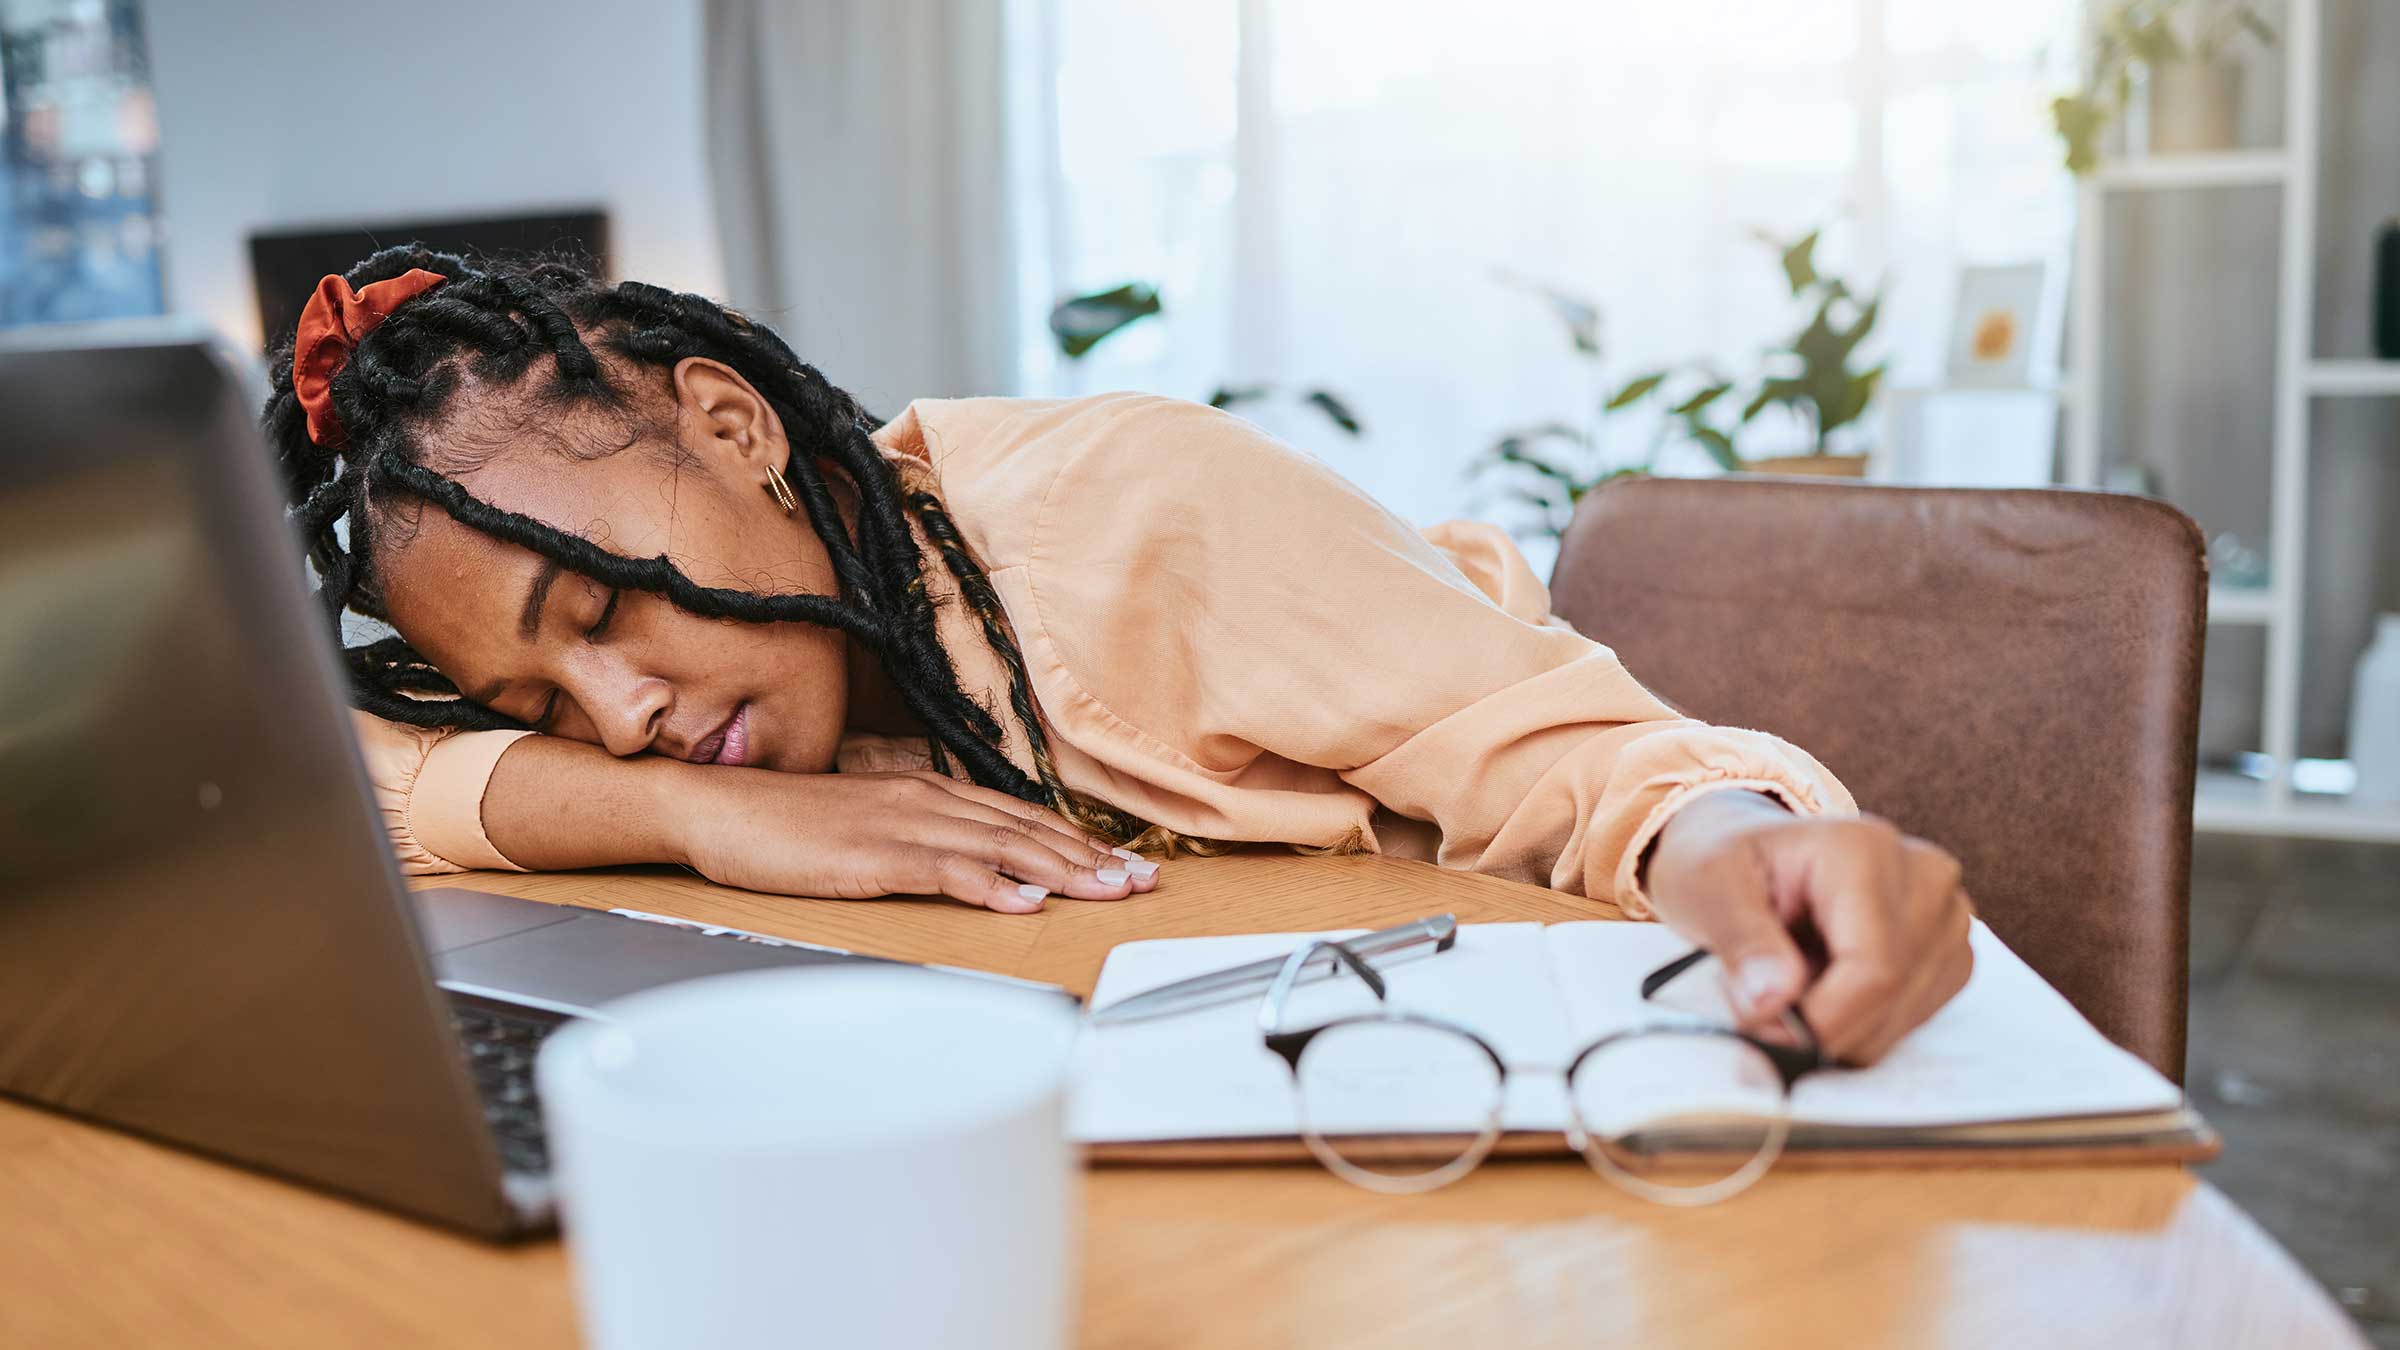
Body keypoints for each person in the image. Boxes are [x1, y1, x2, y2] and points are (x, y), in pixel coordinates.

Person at [264, 247, 1972, 1065]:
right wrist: (718, 825)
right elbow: (326, 773)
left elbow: (1573, 762)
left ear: (730, 422)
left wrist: (1750, 847)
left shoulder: (1125, 519)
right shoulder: (704, 749)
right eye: (536, 705)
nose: (617, 713)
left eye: (604, 605)